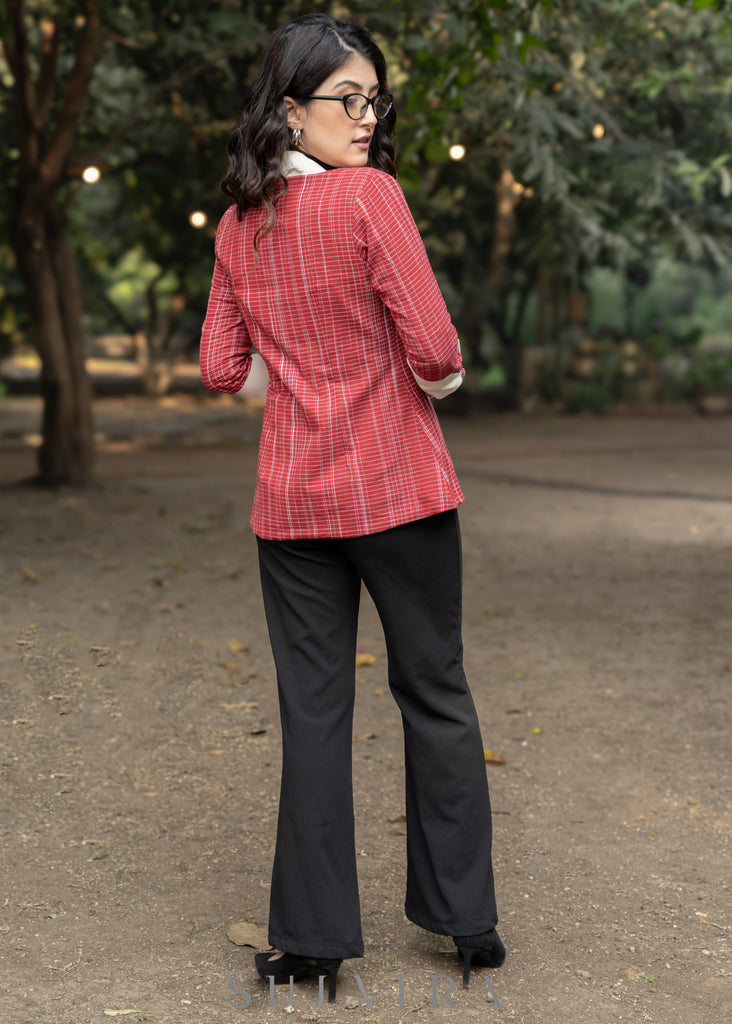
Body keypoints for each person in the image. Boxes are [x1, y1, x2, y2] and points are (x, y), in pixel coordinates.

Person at [199, 12, 505, 1004]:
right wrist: (425, 384)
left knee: (314, 717)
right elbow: (440, 353)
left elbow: (219, 368)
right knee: (436, 696)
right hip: (399, 490)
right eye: (348, 99)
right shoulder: (370, 200)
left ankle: (312, 940)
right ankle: (463, 920)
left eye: (375, 99)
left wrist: (294, 361)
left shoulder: (239, 226)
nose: (368, 117)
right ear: (291, 110)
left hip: (292, 505)